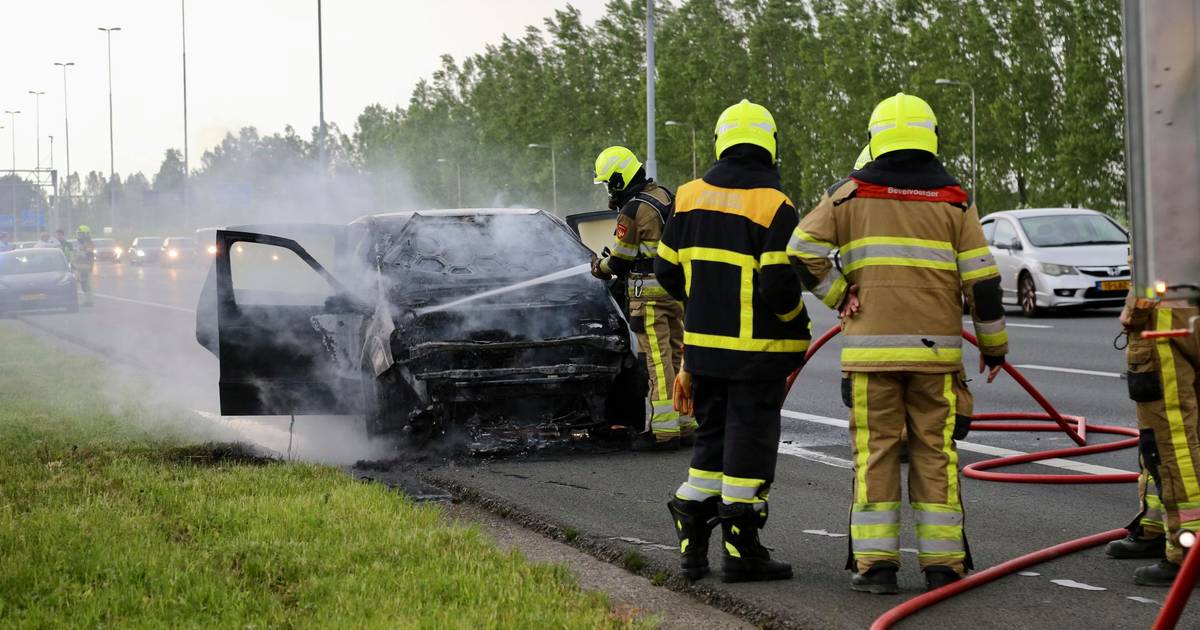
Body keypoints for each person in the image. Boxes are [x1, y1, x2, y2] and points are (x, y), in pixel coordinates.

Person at [789, 92, 1007, 594]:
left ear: (876, 136)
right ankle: (943, 566)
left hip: (871, 357)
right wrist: (993, 347)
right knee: (936, 453)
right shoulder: (955, 200)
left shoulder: (848, 195)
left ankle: (877, 567)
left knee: (876, 455)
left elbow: (801, 249)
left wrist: (840, 295)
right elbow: (985, 282)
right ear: (929, 137)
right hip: (936, 357)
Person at [657, 99, 811, 583]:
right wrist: (795, 322)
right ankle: (742, 551)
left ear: (721, 142)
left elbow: (665, 271)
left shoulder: (685, 196)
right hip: (756, 355)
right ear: (769, 145)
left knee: (711, 438)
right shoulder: (774, 204)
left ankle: (691, 528)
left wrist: (703, 303)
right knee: (749, 446)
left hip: (702, 351)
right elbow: (779, 286)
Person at [591, 146, 695, 450]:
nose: (609, 190)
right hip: (676, 292)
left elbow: (620, 261)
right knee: (678, 356)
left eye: (610, 183)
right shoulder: (666, 196)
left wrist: (600, 267)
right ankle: (686, 422)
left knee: (658, 360)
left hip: (647, 297)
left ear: (619, 181)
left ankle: (663, 430)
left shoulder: (633, 210)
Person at [1118, 291, 1200, 585]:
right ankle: (1156, 528)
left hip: (1166, 328)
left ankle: (1187, 550)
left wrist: (1131, 314)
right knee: (1186, 438)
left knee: (1169, 443)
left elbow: (1152, 270)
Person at [74, 225, 96, 307]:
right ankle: (86, 301)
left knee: (86, 285)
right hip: (79, 267)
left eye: (81, 234)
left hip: (85, 267)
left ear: (86, 234)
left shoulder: (88, 244)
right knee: (82, 285)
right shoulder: (81, 244)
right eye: (79, 234)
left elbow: (88, 254)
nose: (79, 236)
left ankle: (88, 301)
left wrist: (85, 252)